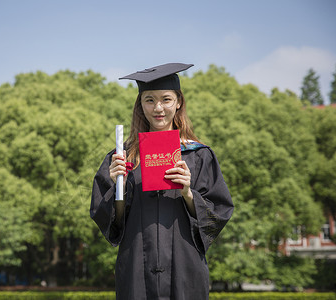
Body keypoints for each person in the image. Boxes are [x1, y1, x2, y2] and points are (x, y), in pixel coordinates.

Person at [90, 63, 234, 300]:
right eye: (149, 100)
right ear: (140, 105)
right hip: (136, 266)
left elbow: (217, 215)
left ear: (178, 102)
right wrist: (119, 186)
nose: (158, 108)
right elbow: (110, 221)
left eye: (166, 99)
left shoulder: (199, 155)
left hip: (185, 269)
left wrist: (188, 192)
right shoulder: (121, 157)